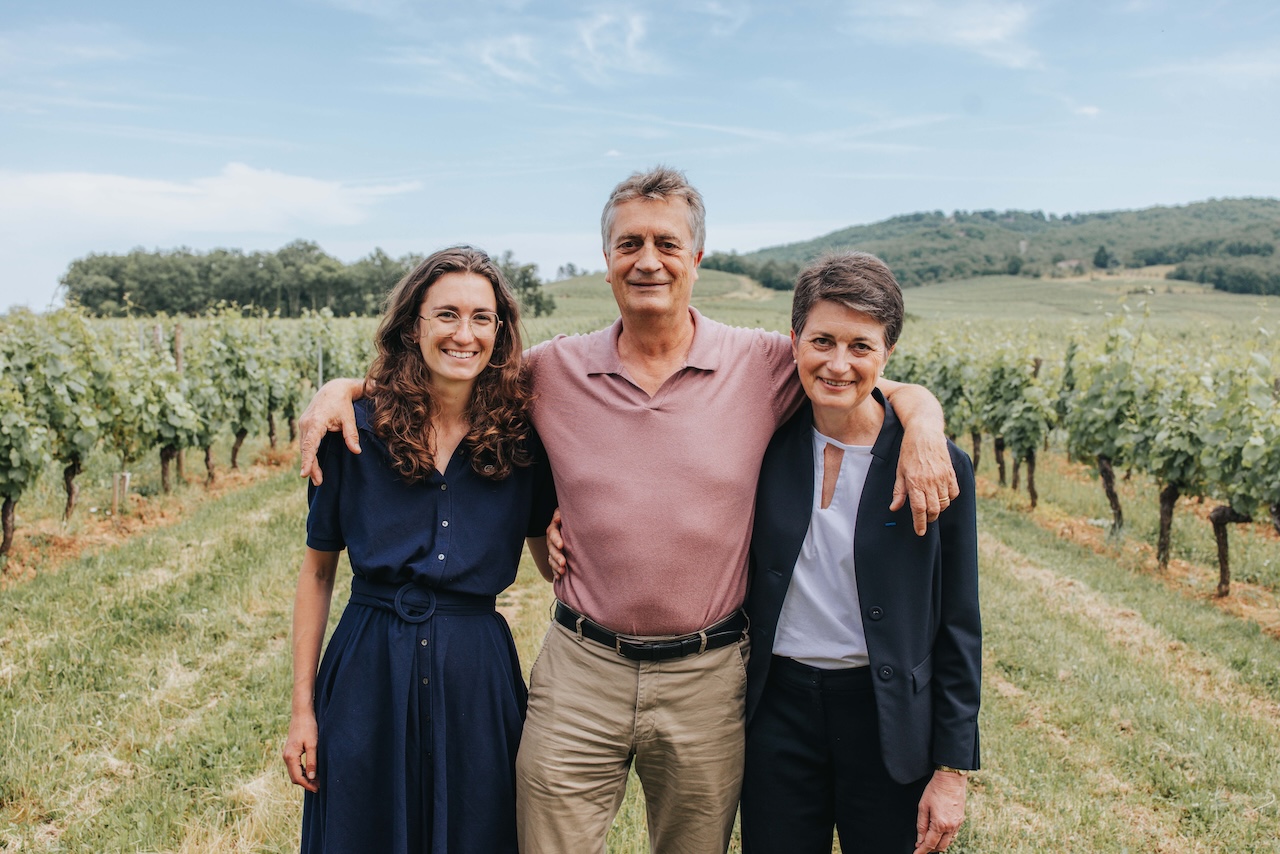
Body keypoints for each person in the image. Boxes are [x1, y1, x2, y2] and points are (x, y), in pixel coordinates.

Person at [298, 166, 959, 854]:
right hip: (584, 667)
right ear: (607, 262)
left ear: (697, 259)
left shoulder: (759, 364)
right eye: (630, 243)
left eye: (668, 244)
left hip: (706, 674)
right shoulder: (553, 370)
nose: (649, 260)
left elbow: (855, 370)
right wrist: (345, 389)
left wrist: (924, 419)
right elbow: (455, 369)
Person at [282, 246, 557, 853]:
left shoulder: (523, 440)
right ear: (415, 326)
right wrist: (303, 709)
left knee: (478, 832)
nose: (465, 333)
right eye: (447, 315)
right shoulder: (352, 430)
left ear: (500, 331)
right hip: (367, 671)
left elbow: (549, 556)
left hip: (476, 678)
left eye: (482, 318)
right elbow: (318, 574)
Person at [739, 252, 981, 854]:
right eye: (822, 340)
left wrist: (952, 770)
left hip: (887, 717)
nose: (838, 364)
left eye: (861, 346)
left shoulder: (935, 465)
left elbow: (959, 623)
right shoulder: (761, 444)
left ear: (888, 353)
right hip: (777, 714)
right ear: (794, 341)